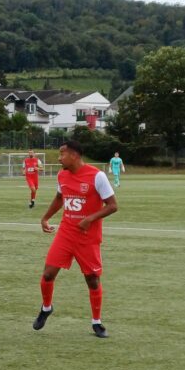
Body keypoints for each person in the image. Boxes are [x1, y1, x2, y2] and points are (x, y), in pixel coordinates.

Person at [32, 140, 118, 338]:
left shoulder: (97, 176)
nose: (59, 158)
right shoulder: (62, 175)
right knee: (48, 274)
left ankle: (96, 322)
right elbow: (60, 198)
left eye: (62, 154)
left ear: (74, 155)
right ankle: (46, 308)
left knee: (92, 280)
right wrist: (45, 217)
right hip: (66, 233)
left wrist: (90, 218)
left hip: (88, 237)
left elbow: (112, 205)